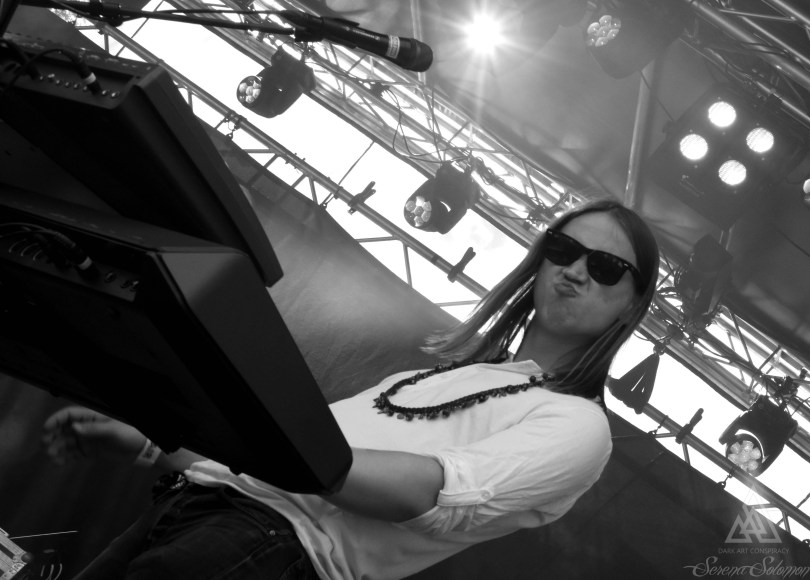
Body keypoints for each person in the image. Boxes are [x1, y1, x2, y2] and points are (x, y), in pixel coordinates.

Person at [41, 198, 660, 580]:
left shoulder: (580, 427)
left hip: (269, 549)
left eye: (606, 266)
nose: (575, 269)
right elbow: (270, 464)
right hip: (189, 511)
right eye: (564, 247)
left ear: (632, 307)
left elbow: (438, 494)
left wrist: (281, 445)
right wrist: (151, 445)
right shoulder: (449, 376)